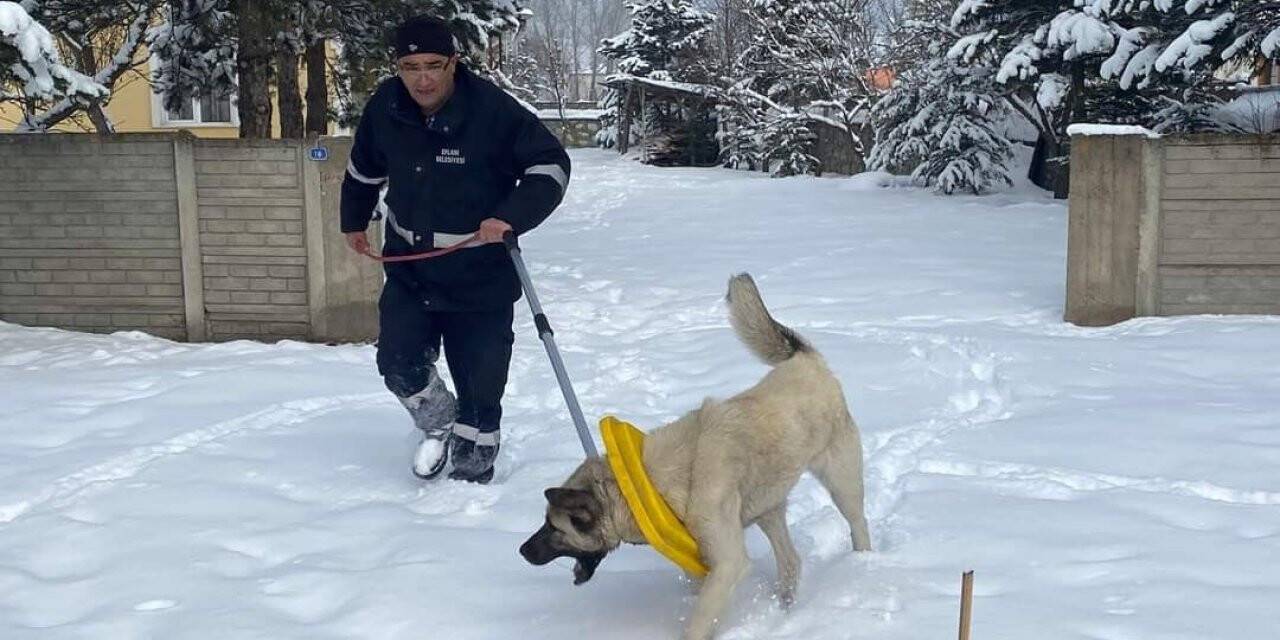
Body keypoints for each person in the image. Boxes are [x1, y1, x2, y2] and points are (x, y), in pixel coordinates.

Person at [340, 15, 571, 484]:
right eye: (410, 67)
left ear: (453, 63)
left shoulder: (492, 111)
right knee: (398, 363)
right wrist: (354, 219)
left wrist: (512, 215)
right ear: (398, 68)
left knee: (481, 394)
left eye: (433, 65)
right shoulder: (387, 105)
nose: (422, 78)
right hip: (411, 268)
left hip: (480, 274)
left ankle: (473, 477)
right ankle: (437, 422)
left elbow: (551, 166)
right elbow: (364, 169)